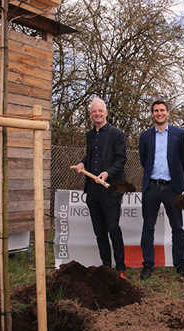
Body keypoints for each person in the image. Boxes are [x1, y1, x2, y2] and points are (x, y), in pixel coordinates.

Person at [71, 97, 127, 280]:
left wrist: (107, 173)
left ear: (106, 113)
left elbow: (121, 159)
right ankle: (106, 267)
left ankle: (120, 268)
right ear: (90, 115)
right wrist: (81, 163)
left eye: (100, 111)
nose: (97, 114)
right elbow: (90, 156)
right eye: (94, 111)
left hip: (110, 189)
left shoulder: (117, 134)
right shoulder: (90, 135)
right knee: (99, 231)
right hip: (93, 191)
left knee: (112, 228)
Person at [139, 100, 184, 280]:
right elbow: (144, 160)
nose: (159, 113)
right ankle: (147, 264)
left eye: (162, 110)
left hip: (172, 188)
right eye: (155, 110)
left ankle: (180, 264)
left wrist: (175, 177)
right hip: (152, 186)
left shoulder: (179, 134)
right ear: (152, 114)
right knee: (148, 227)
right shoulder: (145, 136)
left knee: (177, 227)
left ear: (167, 113)